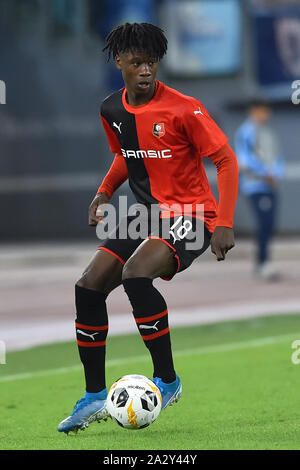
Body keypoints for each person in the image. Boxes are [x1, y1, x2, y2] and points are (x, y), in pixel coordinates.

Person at [57, 22, 239, 434]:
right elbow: (128, 155)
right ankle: (93, 397)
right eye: (137, 62)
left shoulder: (184, 108)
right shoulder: (111, 109)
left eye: (152, 62)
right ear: (119, 62)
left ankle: (168, 381)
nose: (145, 70)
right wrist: (104, 192)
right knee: (87, 286)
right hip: (148, 213)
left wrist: (224, 223)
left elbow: (226, 161)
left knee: (135, 275)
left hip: (194, 217)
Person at [235, 99, 284, 280]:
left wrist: (276, 174)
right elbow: (244, 160)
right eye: (263, 111)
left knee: (270, 224)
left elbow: (276, 156)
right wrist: (265, 174)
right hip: (255, 186)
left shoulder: (268, 132)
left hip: (270, 185)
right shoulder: (246, 132)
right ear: (253, 111)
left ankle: (264, 262)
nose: (266, 115)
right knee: (264, 224)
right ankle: (262, 263)